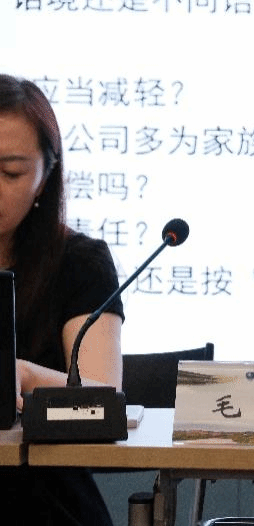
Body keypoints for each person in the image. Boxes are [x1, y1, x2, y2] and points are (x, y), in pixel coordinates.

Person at [0, 74, 124, 525]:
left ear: (45, 176)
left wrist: (22, 374)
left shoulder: (79, 262)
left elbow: (104, 393)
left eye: (11, 172)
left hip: (43, 500)